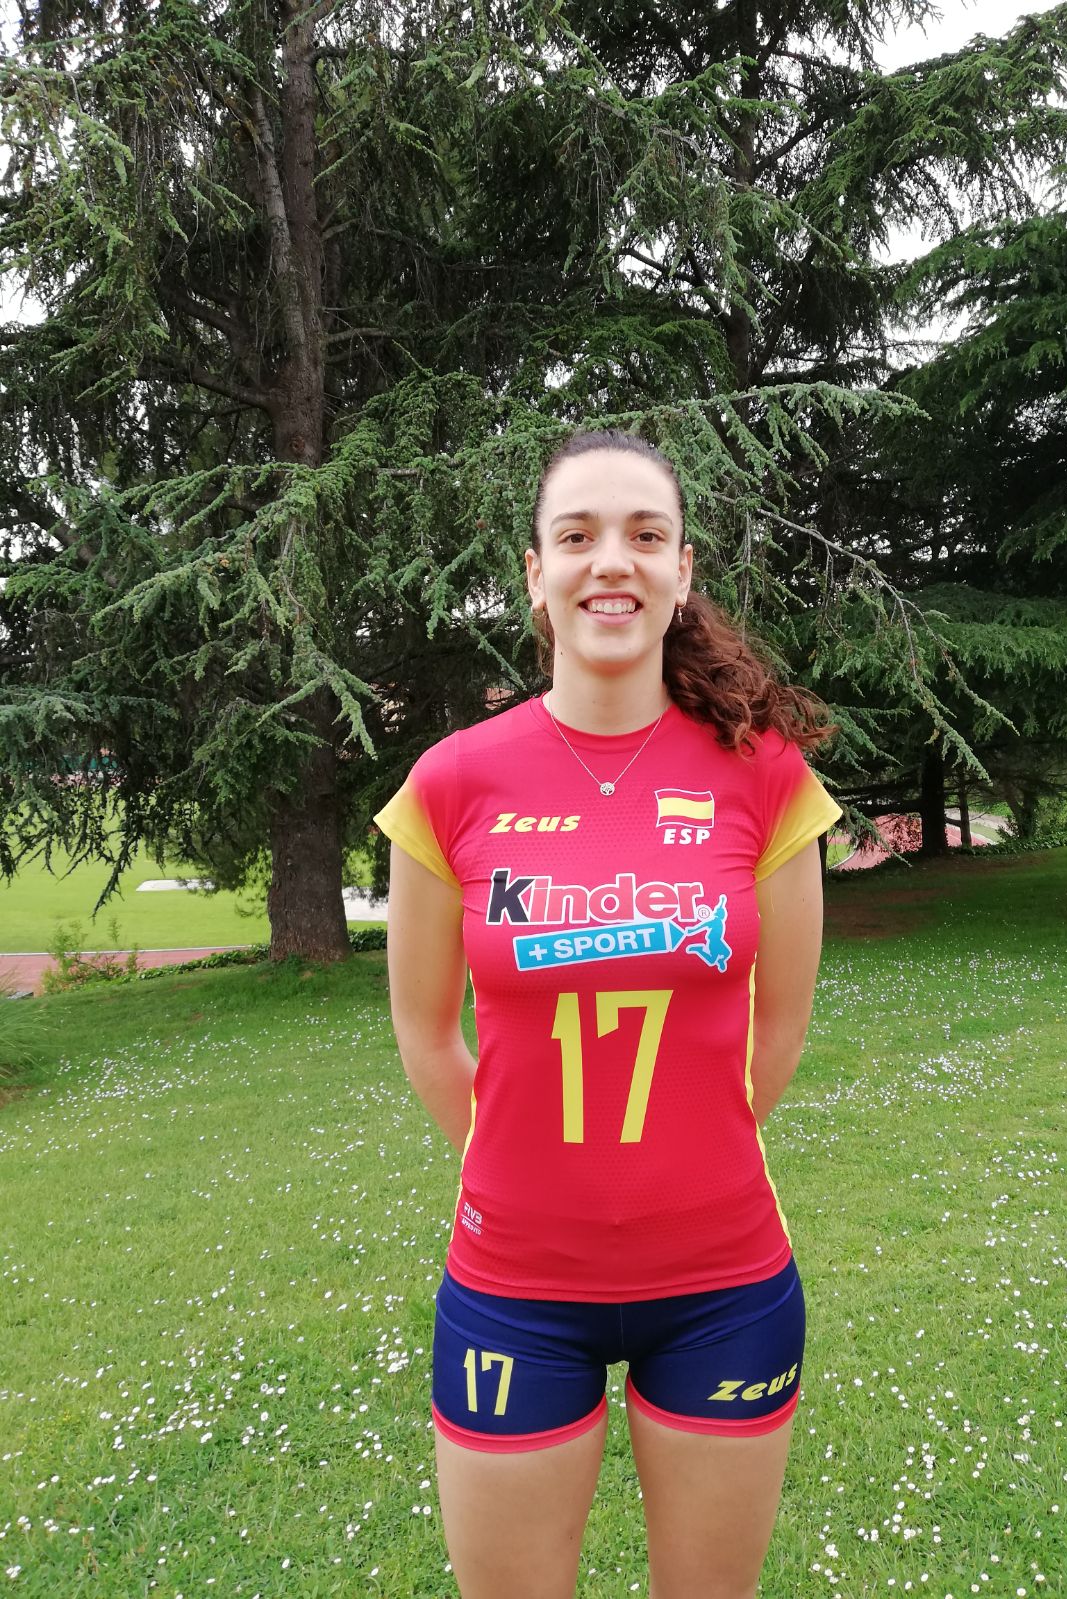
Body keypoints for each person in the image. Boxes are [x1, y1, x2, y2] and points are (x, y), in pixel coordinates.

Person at [375, 430, 841, 1599]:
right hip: (514, 1288)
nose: (611, 561)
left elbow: (779, 1030)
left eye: (645, 534)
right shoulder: (451, 781)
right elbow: (427, 1033)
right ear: (536, 574)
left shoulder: (766, 773)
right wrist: (525, 1167)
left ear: (683, 571)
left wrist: (684, 1160)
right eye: (577, 536)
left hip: (726, 1283)